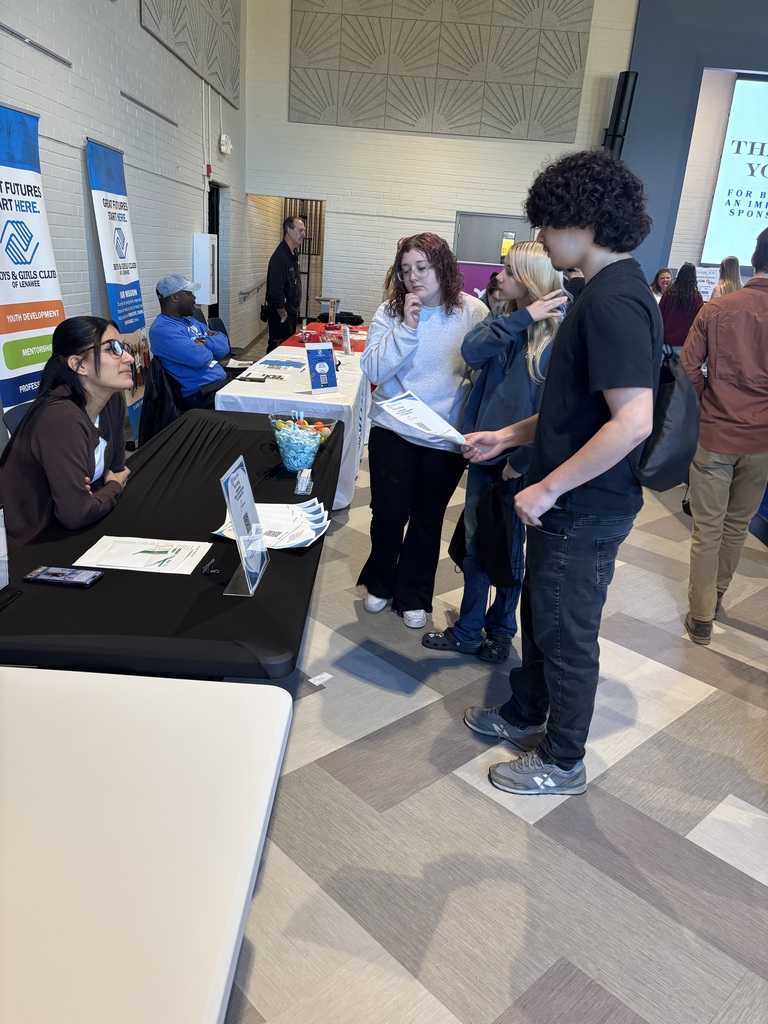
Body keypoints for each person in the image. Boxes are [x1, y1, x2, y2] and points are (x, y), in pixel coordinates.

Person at [462, 148, 662, 796]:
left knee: (566, 631)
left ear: (582, 218)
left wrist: (547, 487)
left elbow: (632, 421)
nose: (541, 239)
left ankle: (563, 758)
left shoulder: (615, 300)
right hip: (565, 504)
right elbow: (571, 410)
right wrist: (509, 436)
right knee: (540, 619)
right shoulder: (598, 292)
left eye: (546, 223)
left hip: (583, 508)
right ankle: (527, 712)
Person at [422, 241, 564, 662]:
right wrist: (521, 318)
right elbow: (470, 352)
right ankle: (469, 629)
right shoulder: (504, 318)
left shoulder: (559, 333)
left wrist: (519, 463)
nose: (498, 275)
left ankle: (501, 630)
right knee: (477, 543)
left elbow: (552, 412)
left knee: (506, 548)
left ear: (531, 277)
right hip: (482, 452)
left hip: (519, 462)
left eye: (508, 269)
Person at [357, 232, 487, 629]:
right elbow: (375, 371)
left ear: (442, 267)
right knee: (388, 514)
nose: (413, 277)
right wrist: (407, 327)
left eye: (422, 268)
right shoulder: (390, 312)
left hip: (443, 436)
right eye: (405, 270)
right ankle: (380, 582)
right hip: (393, 428)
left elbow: (481, 373)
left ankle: (413, 594)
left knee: (428, 519)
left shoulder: (471, 312)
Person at [680, 228, 768, 645]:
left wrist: (707, 401)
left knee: (708, 528)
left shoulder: (718, 309)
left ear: (755, 259)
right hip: (763, 441)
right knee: (737, 526)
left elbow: (687, 367)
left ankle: (701, 617)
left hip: (714, 433)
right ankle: (714, 598)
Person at [0, 316, 133, 552]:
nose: (129, 358)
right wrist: (112, 488)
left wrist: (103, 488)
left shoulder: (112, 399)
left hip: (73, 530)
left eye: (124, 348)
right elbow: (77, 513)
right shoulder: (60, 418)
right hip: (31, 546)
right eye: (113, 349)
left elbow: (117, 469)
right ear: (78, 365)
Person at [148, 275, 230, 409]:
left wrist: (204, 343)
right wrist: (210, 343)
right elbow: (198, 358)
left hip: (217, 386)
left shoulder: (190, 321)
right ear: (174, 297)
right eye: (189, 293)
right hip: (199, 395)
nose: (194, 298)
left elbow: (224, 348)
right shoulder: (163, 329)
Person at [266, 216, 306, 352]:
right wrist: (283, 314)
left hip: (291, 313)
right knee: (277, 350)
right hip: (281, 316)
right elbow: (275, 290)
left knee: (289, 348)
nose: (303, 234)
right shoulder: (280, 257)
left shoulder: (293, 253)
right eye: (300, 230)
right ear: (289, 231)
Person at [659, 262, 703, 354]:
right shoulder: (696, 297)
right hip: (685, 342)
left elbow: (659, 314)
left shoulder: (668, 293)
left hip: (665, 340)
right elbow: (699, 321)